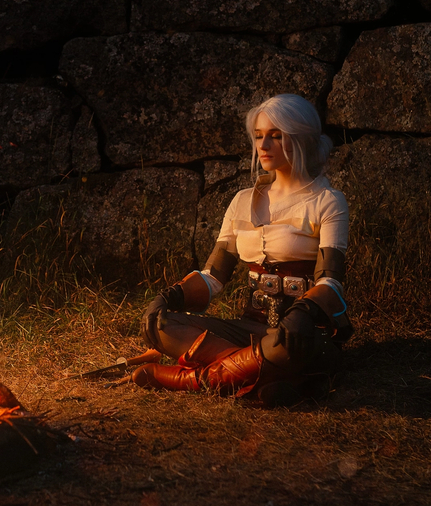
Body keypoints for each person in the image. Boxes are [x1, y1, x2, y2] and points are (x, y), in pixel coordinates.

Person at [131, 94, 351, 407]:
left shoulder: (327, 201)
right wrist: (171, 297)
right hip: (249, 330)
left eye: (276, 136)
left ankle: (187, 379)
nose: (264, 146)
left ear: (302, 139)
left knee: (284, 346)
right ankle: (278, 377)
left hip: (301, 334)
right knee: (162, 325)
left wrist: (303, 313)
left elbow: (330, 281)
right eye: (259, 136)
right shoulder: (242, 201)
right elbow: (213, 276)